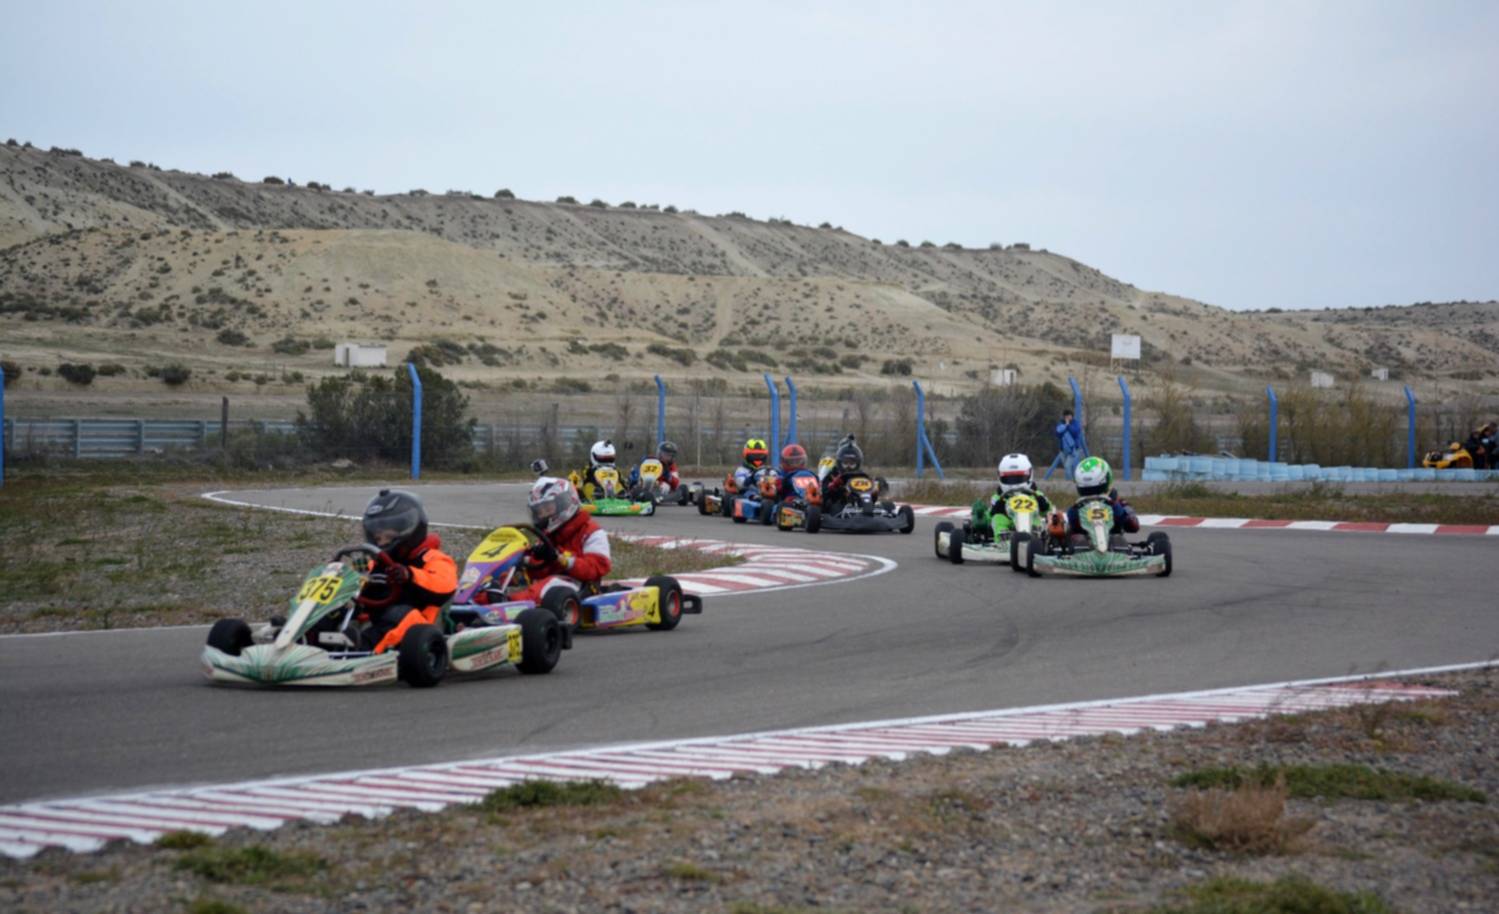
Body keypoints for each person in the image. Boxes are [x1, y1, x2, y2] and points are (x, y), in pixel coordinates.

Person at [357, 489, 458, 654]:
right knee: (337, 612)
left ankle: (362, 651)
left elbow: (444, 586)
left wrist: (409, 575)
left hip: (420, 626)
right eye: (378, 538)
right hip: (376, 619)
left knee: (399, 614)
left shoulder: (434, 558)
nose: (381, 542)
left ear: (407, 529)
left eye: (387, 536)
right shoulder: (376, 564)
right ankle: (316, 643)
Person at [509, 476, 612, 603]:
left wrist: (561, 559)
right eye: (539, 511)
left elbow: (597, 567)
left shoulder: (591, 532)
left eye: (547, 509)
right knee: (504, 578)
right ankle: (490, 597)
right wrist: (526, 561)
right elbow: (542, 569)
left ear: (564, 503)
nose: (543, 515)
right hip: (554, 589)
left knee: (547, 585)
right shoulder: (550, 535)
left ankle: (509, 604)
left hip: (582, 587)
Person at [975, 453, 1054, 533]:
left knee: (1038, 519)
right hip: (1009, 524)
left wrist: (1045, 506)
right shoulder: (998, 498)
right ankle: (1003, 536)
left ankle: (1035, 534)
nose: (1014, 482)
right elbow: (989, 517)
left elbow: (1050, 513)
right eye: (1009, 478)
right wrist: (995, 510)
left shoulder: (1037, 495)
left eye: (1018, 477)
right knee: (997, 519)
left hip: (1031, 522)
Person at [1065, 456, 1139, 539]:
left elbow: (1134, 527)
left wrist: (1123, 514)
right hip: (1083, 543)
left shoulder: (1118, 504)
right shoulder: (1077, 508)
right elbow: (1071, 525)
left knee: (1116, 538)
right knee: (1077, 537)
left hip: (1114, 542)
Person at [819, 436, 867, 511]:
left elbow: (871, 493)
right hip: (838, 506)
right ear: (840, 463)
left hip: (860, 505)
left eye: (852, 464)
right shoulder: (832, 475)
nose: (848, 467)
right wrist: (834, 485)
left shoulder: (862, 476)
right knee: (833, 506)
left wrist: (875, 489)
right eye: (845, 463)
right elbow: (824, 494)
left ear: (857, 463)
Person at [1055, 410, 1084, 478]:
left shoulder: (1076, 423)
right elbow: (1057, 434)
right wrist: (1063, 427)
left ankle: (1069, 481)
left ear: (1072, 416)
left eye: (1069, 416)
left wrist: (1068, 426)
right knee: (1066, 466)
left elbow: (1075, 433)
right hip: (1063, 449)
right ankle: (1072, 479)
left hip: (1073, 449)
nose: (1067, 417)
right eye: (1066, 416)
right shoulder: (1061, 423)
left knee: (1067, 466)